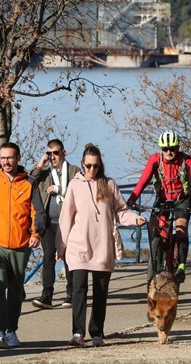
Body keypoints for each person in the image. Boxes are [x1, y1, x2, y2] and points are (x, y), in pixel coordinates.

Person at [57, 143, 146, 347]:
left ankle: (96, 332)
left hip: (103, 246)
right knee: (78, 289)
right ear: (82, 164)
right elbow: (65, 219)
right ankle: (77, 333)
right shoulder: (74, 185)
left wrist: (134, 219)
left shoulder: (109, 184)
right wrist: (60, 247)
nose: (91, 170)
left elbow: (120, 211)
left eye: (95, 166)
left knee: (100, 291)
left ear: (100, 165)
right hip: (78, 246)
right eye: (88, 165)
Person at [0, 142, 44, 349]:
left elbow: (37, 212)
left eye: (10, 158)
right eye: (3, 158)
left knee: (15, 291)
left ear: (18, 158)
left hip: (21, 245)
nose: (6, 162)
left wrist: (36, 233)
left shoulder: (30, 183)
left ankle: (12, 331)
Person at [126, 130, 191, 284]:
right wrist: (131, 200)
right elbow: (142, 181)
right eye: (165, 149)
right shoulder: (155, 160)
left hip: (182, 199)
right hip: (163, 199)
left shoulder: (187, 161)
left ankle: (181, 266)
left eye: (173, 148)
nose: (169, 152)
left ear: (178, 147)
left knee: (181, 230)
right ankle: (156, 258)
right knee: (156, 228)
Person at [29, 139, 81, 309]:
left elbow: (80, 193)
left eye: (55, 153)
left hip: (69, 222)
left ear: (63, 153)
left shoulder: (74, 171)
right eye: (49, 154)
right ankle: (47, 295)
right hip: (49, 223)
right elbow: (29, 182)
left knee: (69, 259)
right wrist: (40, 165)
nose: (52, 157)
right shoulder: (45, 173)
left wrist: (60, 190)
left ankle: (71, 295)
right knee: (48, 258)